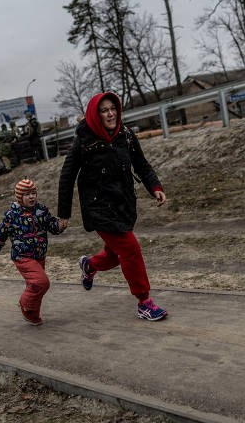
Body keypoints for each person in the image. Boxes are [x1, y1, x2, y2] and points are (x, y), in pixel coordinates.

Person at [57, 92, 169, 321]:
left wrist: (155, 186)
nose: (110, 113)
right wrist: (63, 214)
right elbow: (67, 176)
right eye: (104, 110)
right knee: (130, 250)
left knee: (116, 255)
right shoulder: (84, 141)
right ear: (95, 114)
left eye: (113, 109)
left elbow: (141, 163)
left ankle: (89, 265)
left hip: (123, 203)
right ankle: (144, 302)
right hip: (98, 208)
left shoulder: (125, 135)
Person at [0, 179, 63, 325]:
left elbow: (52, 227)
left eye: (33, 193)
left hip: (39, 256)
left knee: (35, 286)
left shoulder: (42, 210)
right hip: (22, 257)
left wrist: (60, 225)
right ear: (19, 197)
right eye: (27, 194)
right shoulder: (12, 215)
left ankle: (32, 315)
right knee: (41, 283)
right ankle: (24, 303)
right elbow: (0, 233)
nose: (32, 197)